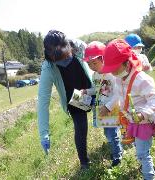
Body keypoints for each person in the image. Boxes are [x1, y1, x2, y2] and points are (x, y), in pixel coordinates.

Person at [100, 39, 155, 180]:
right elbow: (116, 95)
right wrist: (108, 107)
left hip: (143, 122)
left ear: (127, 63)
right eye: (111, 70)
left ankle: (149, 176)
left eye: (115, 69)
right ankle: (144, 165)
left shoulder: (142, 80)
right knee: (139, 149)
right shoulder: (119, 79)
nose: (113, 73)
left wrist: (142, 114)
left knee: (142, 153)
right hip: (131, 121)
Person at [38, 30, 93, 170]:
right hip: (74, 97)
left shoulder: (79, 47)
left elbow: (98, 61)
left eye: (66, 57)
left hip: (92, 87)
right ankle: (84, 163)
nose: (65, 62)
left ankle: (118, 139)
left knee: (108, 113)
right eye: (60, 60)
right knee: (81, 128)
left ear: (69, 47)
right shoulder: (48, 67)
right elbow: (43, 102)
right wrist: (44, 133)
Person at [81, 41, 123, 167]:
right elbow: (96, 89)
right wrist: (86, 91)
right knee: (107, 133)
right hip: (101, 109)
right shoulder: (95, 75)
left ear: (103, 58)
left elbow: (118, 94)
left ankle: (117, 156)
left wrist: (108, 106)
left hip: (111, 108)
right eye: (89, 64)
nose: (92, 66)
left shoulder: (111, 74)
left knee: (111, 134)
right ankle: (116, 149)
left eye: (94, 62)